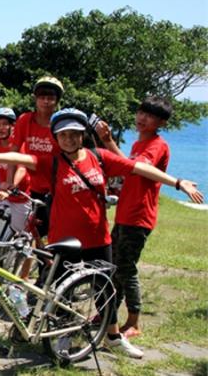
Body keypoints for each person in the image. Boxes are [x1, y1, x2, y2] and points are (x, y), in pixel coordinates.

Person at [0, 108, 203, 358]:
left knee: (106, 290)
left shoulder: (99, 157)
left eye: (75, 134)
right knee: (60, 291)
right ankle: (62, 335)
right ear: (56, 138)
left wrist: (177, 183)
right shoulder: (54, 162)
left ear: (83, 135)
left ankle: (112, 337)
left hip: (98, 237)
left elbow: (138, 168)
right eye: (64, 135)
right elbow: (25, 158)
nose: (69, 139)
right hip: (64, 240)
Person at [94, 96, 175, 339]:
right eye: (141, 112)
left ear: (160, 122)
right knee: (114, 266)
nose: (142, 118)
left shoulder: (156, 145)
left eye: (150, 116)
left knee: (126, 268)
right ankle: (107, 314)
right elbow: (128, 171)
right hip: (126, 213)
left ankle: (134, 321)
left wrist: (108, 142)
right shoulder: (139, 144)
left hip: (139, 217)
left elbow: (133, 167)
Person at [7, 76, 65, 238]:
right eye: (42, 97)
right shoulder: (25, 120)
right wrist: (9, 181)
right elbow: (15, 151)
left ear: (57, 101)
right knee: (35, 234)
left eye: (51, 98)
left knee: (55, 233)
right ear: (35, 99)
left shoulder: (60, 124)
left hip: (58, 188)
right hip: (35, 189)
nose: (46, 101)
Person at [0, 108, 31, 235]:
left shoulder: (19, 144)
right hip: (3, 194)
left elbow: (22, 168)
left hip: (21, 196)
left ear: (13, 126)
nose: (1, 128)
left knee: (20, 233)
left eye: (5, 124)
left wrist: (10, 188)